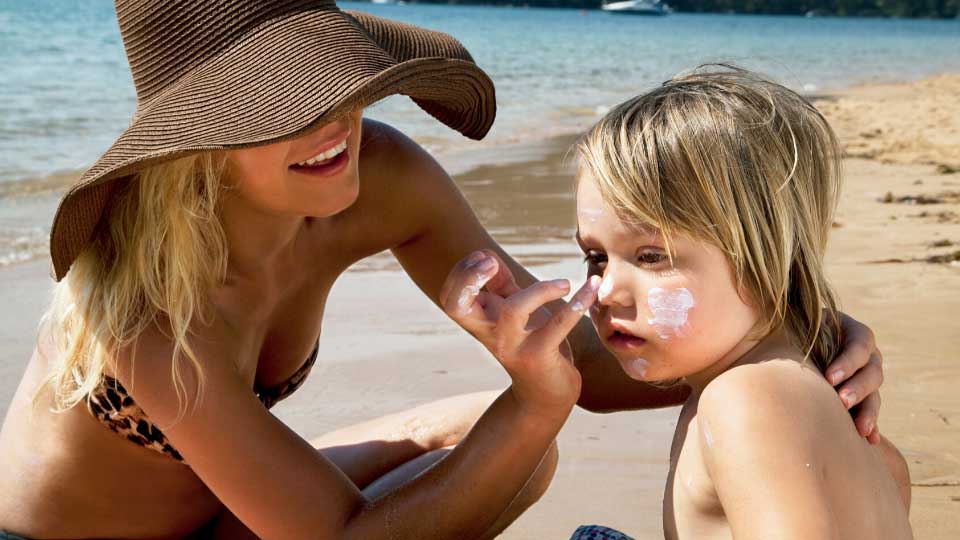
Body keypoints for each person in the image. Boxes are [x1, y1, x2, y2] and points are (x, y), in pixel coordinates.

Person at [0, 0, 885, 537]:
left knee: (504, 443)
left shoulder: (379, 177)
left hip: (240, 516)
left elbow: (580, 354)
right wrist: (537, 404)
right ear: (195, 141)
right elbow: (335, 537)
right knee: (521, 434)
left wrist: (789, 336)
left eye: (329, 81)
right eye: (276, 104)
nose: (329, 122)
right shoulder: (147, 312)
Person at [443, 66, 910, 539]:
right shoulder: (812, 388)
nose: (605, 291)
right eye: (596, 257)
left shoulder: (748, 400)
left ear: (764, 257)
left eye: (651, 256)